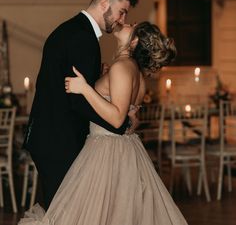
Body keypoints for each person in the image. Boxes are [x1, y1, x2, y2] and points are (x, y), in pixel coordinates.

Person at [19, 22, 188, 225]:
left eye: (132, 26)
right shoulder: (134, 72)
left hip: (106, 150)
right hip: (120, 148)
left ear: (134, 41)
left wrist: (84, 88)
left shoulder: (122, 68)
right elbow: (128, 119)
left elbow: (117, 119)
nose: (127, 23)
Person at [22, 0, 138, 209]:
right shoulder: (82, 38)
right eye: (121, 12)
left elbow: (74, 86)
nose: (122, 20)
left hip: (51, 136)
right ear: (104, 3)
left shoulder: (74, 30)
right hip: (59, 139)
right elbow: (77, 99)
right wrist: (120, 124)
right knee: (63, 213)